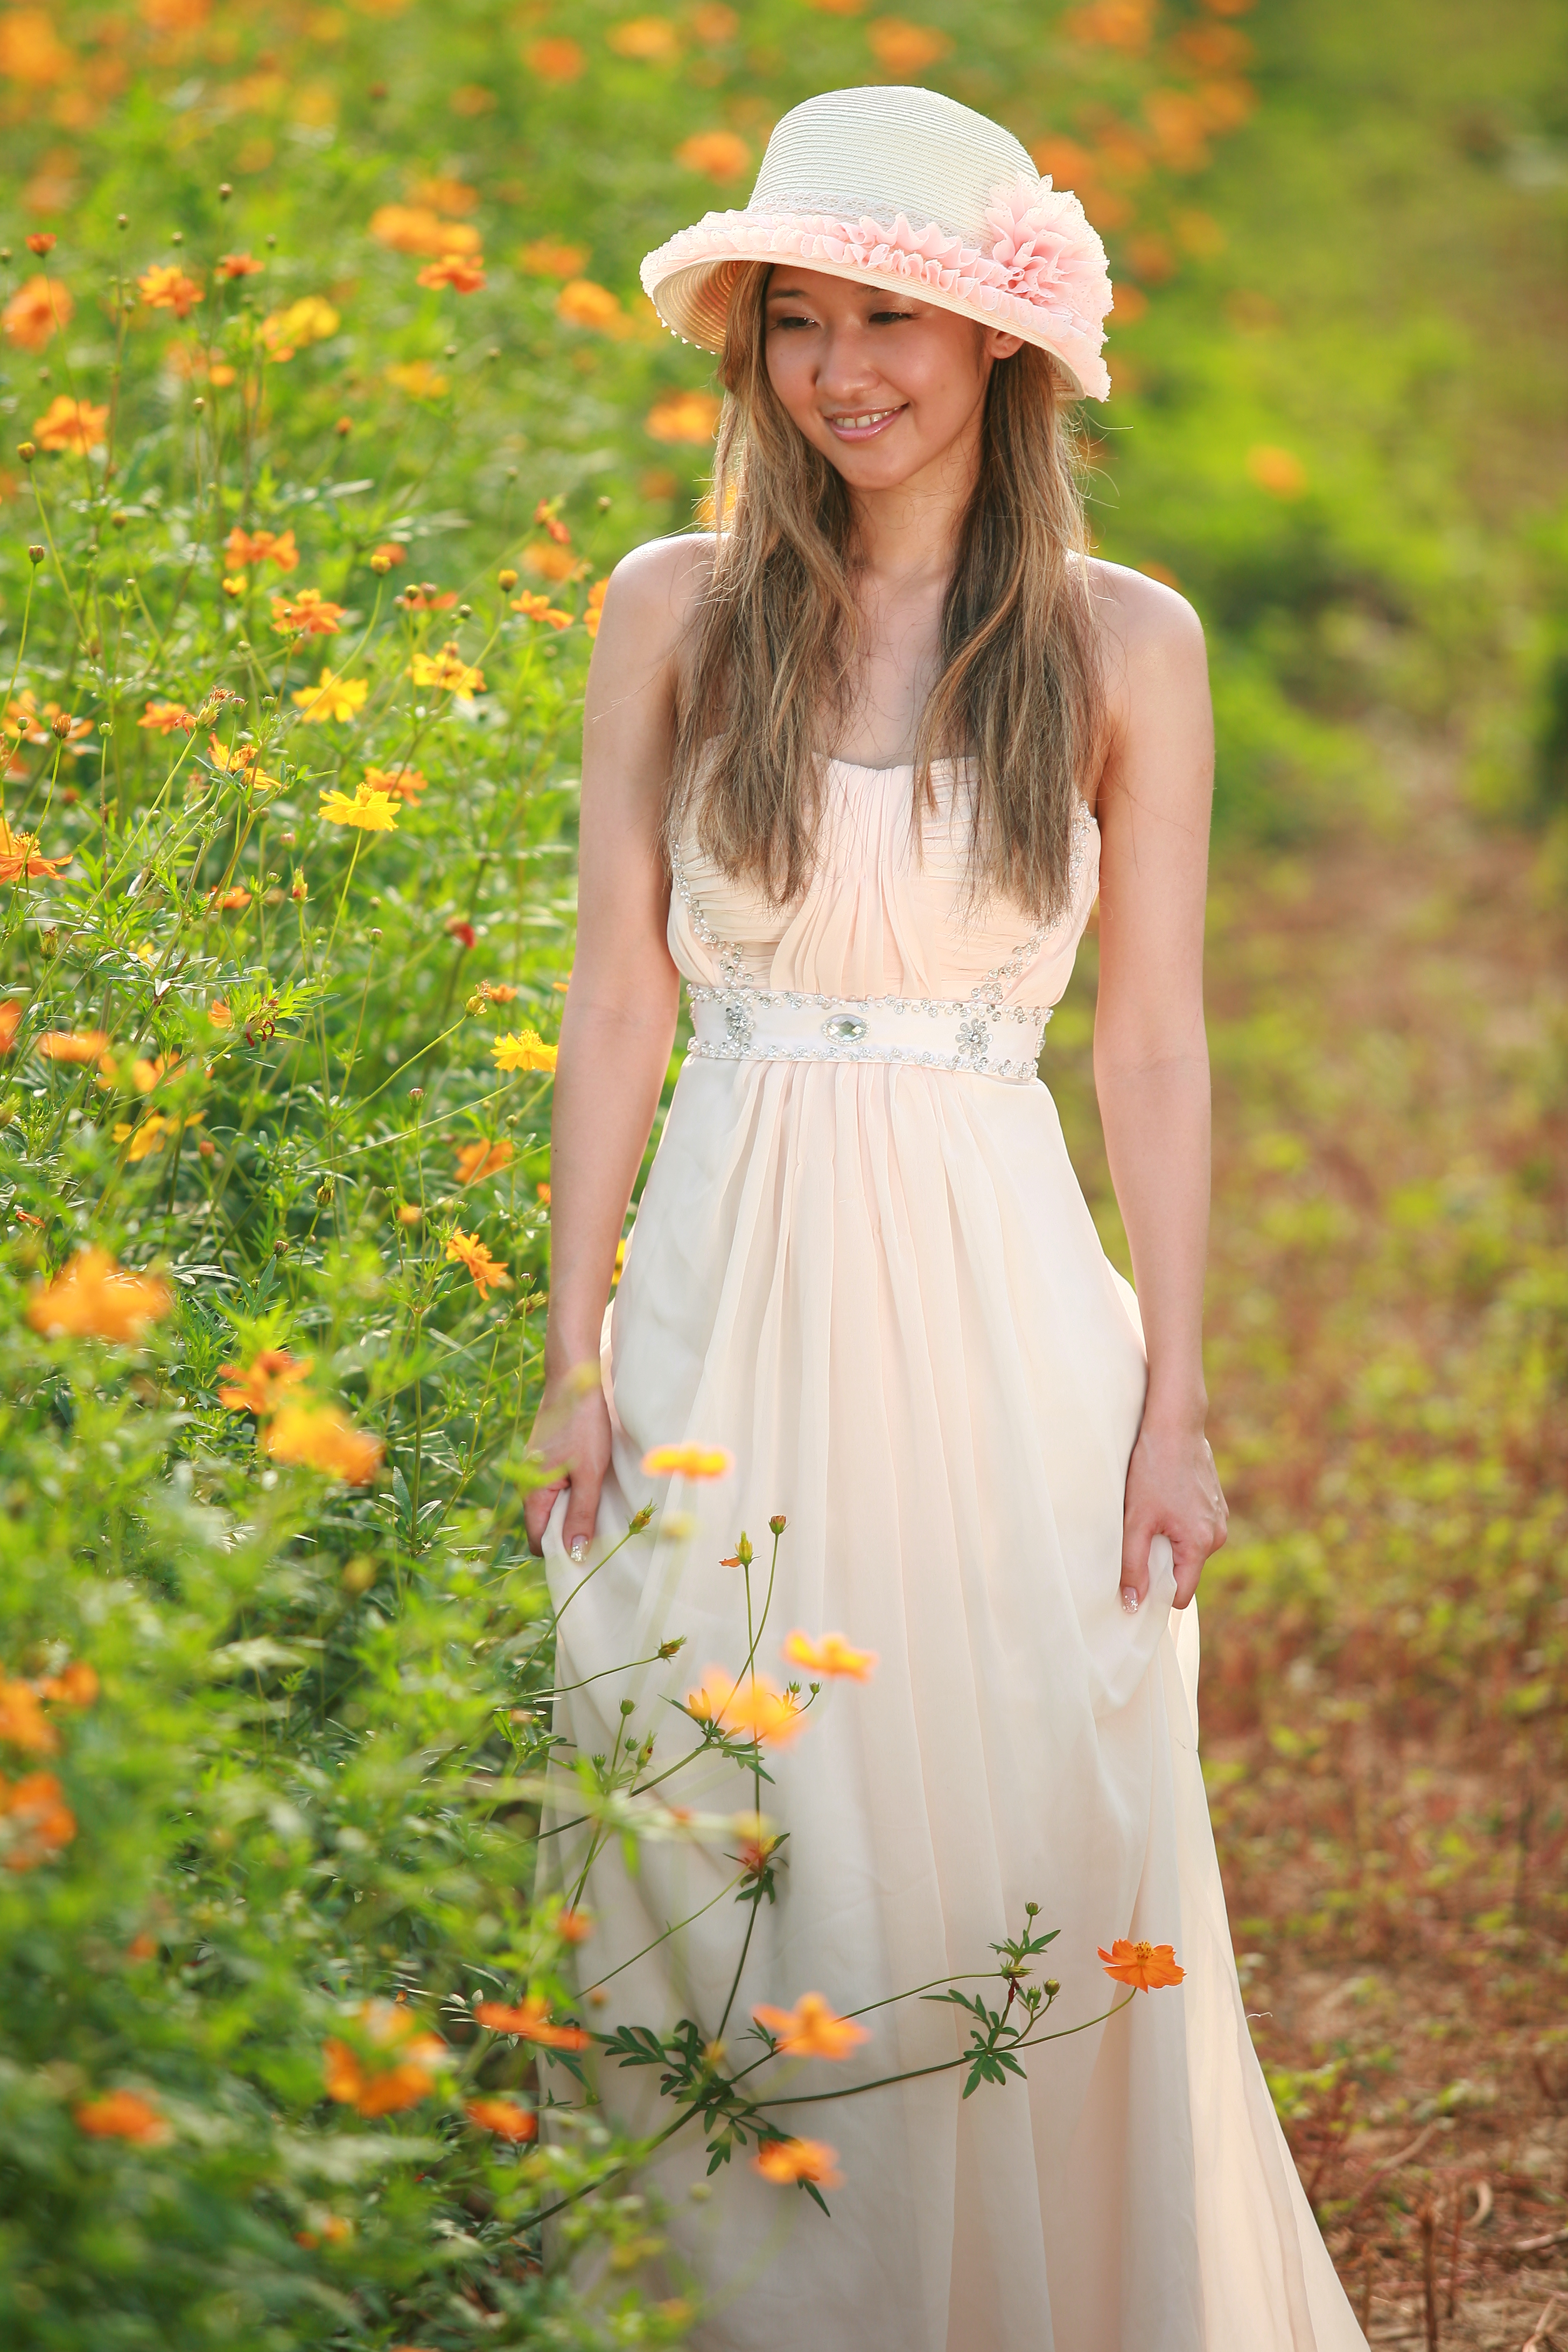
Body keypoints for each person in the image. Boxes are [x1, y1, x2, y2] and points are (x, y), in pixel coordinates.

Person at [526, 82, 1368, 2352]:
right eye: (794, 322)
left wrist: (1171, 1394)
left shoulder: (1120, 647)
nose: (840, 370)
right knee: (711, 1799)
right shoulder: (674, 607)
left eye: (888, 316)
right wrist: (570, 1351)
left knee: (1013, 1793)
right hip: (729, 1257)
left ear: (997, 341)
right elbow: (616, 996)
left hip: (997, 1284)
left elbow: (1154, 1043)